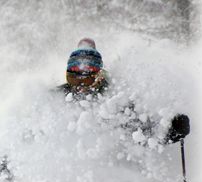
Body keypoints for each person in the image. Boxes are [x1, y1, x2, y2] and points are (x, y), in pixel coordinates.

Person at [58, 38, 190, 144]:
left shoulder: (115, 100)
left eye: (88, 79)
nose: (80, 85)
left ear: (99, 75)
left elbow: (145, 134)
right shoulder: (58, 97)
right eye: (73, 77)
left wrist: (172, 132)